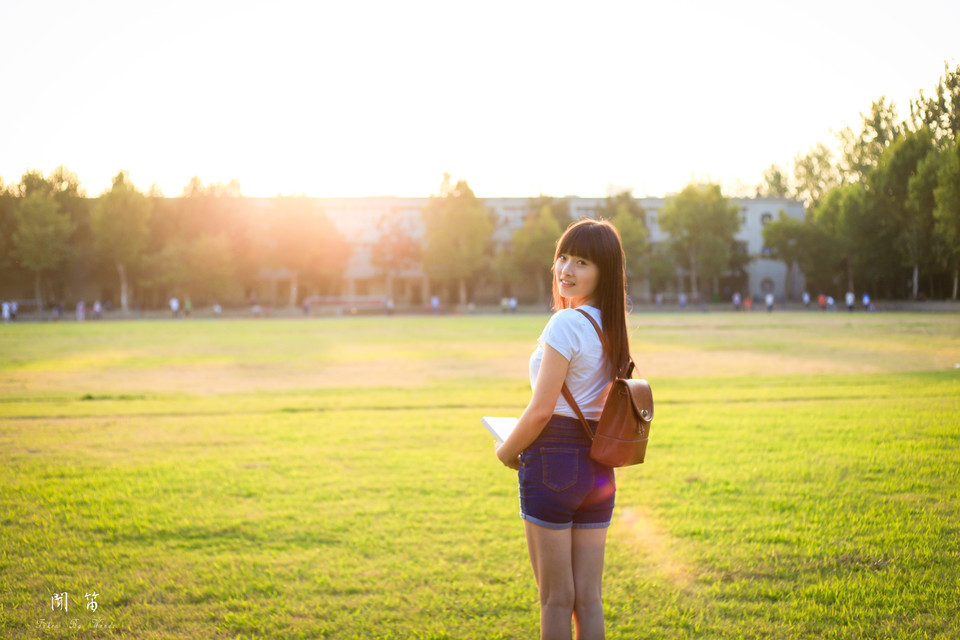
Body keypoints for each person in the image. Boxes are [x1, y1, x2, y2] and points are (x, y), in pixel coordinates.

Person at [495, 218, 631, 640]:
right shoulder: (610, 326)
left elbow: (539, 412)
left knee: (555, 599)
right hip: (597, 466)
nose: (566, 270)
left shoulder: (565, 324)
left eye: (582, 262)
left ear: (604, 272)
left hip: (553, 461)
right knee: (588, 599)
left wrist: (505, 451)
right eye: (563, 258)